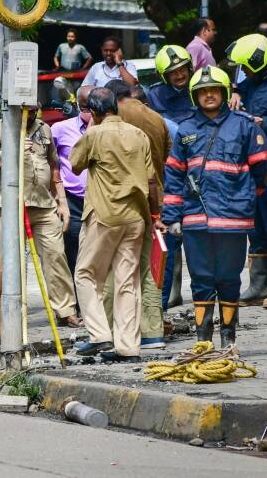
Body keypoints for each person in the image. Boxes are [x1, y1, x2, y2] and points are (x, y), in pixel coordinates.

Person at [162, 66, 267, 347]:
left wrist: (246, 195)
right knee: (200, 279)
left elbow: (264, 169)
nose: (209, 95)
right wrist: (172, 217)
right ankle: (203, 342)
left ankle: (228, 340)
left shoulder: (244, 125)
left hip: (233, 219)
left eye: (214, 90)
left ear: (224, 93)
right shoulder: (186, 129)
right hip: (195, 220)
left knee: (228, 278)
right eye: (203, 91)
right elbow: (174, 175)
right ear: (195, 95)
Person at [70, 88, 161, 362]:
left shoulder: (94, 134)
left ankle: (99, 334)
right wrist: (155, 217)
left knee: (85, 274)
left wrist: (89, 128)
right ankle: (128, 347)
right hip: (136, 217)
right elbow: (152, 182)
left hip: (104, 214)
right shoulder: (139, 135)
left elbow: (75, 165)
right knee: (128, 282)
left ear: (95, 112)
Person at [0, 106, 81, 328]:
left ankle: (66, 311)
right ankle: (14, 316)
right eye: (28, 108)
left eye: (35, 108)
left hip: (44, 204)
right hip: (9, 205)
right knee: (11, 262)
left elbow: (53, 165)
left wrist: (62, 201)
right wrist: (11, 148)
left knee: (56, 256)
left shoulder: (44, 129)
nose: (32, 112)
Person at [104, 79, 171, 349]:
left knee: (112, 268)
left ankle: (108, 331)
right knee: (149, 268)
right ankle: (153, 331)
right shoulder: (156, 118)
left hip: (119, 202)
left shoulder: (110, 120)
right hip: (154, 200)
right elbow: (165, 158)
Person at [226, 34, 267, 307]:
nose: (245, 72)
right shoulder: (250, 83)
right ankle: (258, 286)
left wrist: (266, 122)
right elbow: (238, 88)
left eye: (247, 67)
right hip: (250, 169)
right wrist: (236, 91)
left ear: (259, 62)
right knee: (255, 227)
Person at [147, 45, 195, 311]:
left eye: (181, 69)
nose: (179, 75)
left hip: (197, 169)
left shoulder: (200, 88)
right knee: (171, 238)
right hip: (169, 172)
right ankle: (172, 293)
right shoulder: (155, 95)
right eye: (172, 72)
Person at [51, 85, 91, 274]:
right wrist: (58, 199)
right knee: (74, 253)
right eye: (84, 108)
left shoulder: (108, 129)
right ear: (78, 107)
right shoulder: (60, 129)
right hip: (73, 201)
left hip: (101, 200)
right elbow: (50, 161)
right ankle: (77, 301)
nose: (89, 112)